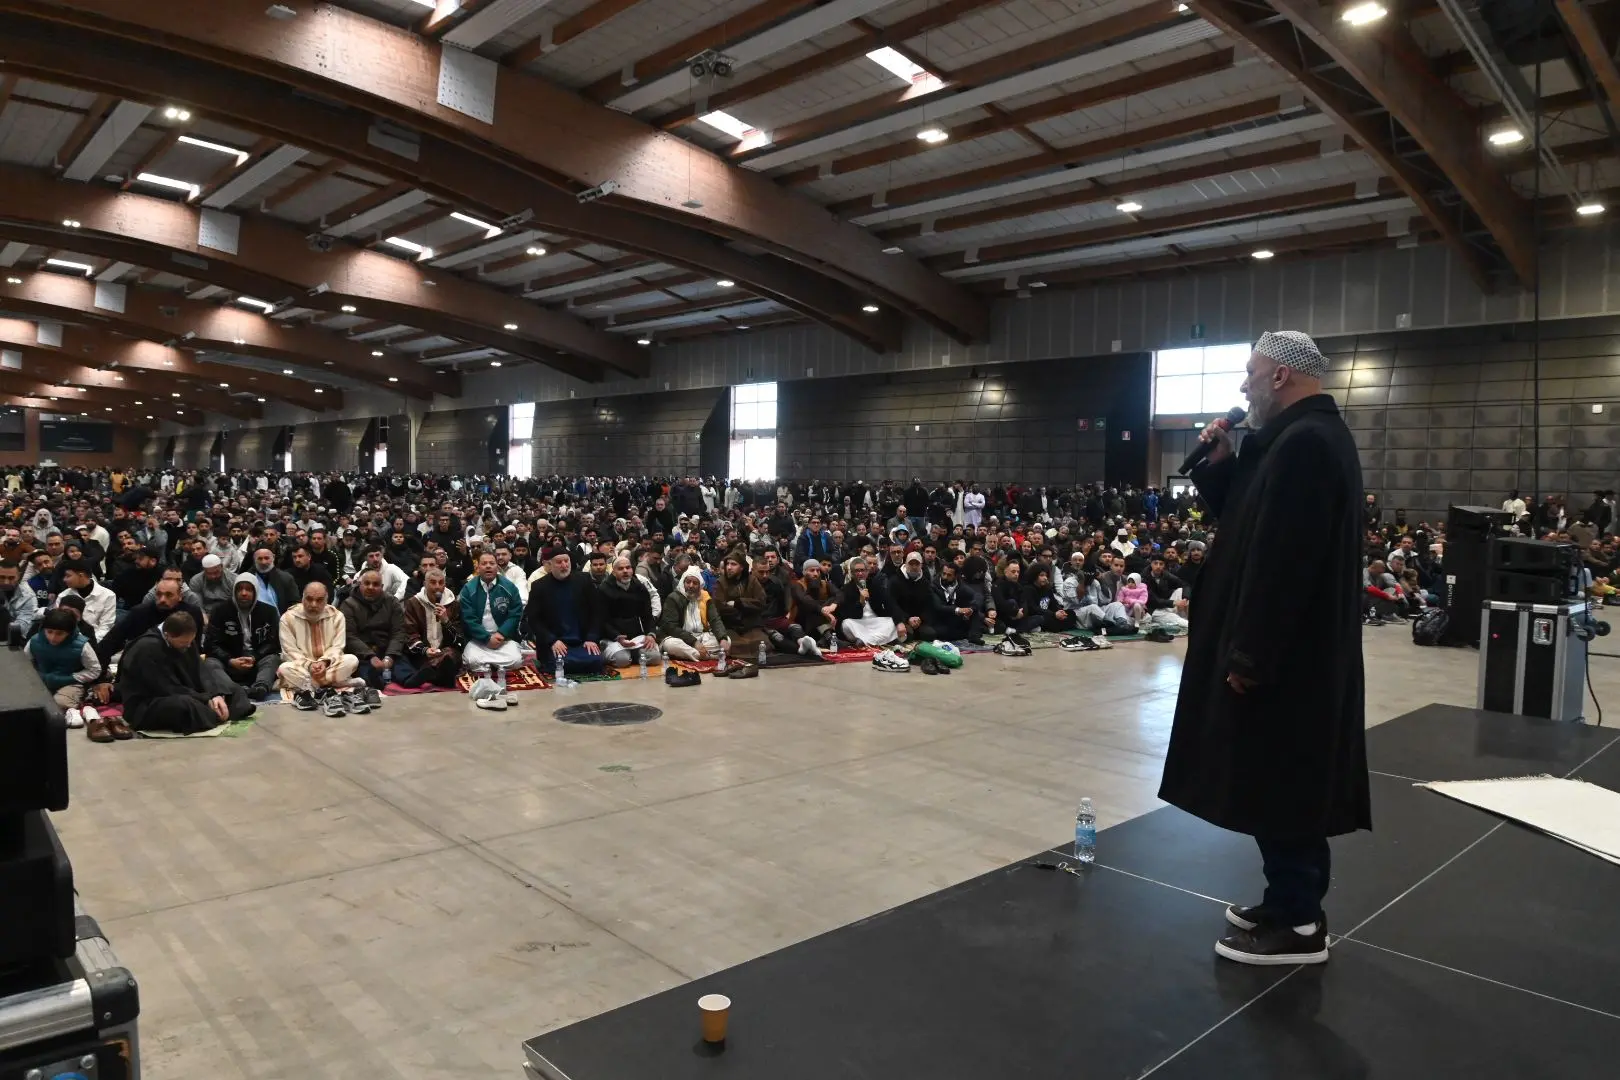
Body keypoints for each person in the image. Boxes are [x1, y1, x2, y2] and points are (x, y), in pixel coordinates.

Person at [1160, 329, 1369, 967]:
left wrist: (1250, 655)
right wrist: (1223, 462)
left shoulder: (1306, 445)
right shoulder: (1294, 440)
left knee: (1283, 778)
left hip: (1285, 660)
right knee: (1273, 776)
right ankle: (1287, 896)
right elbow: (1250, 523)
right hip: (1286, 655)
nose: (1243, 386)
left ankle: (1299, 921)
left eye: (1251, 373)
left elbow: (1283, 563)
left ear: (1280, 376)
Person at [118, 611, 252, 734]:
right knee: (185, 705)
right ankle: (217, 713)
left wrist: (215, 694)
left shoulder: (185, 641)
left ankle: (219, 710)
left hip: (186, 690)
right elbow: (166, 687)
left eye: (190, 642)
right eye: (184, 644)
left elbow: (200, 670)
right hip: (147, 704)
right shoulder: (147, 648)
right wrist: (205, 698)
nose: (188, 647)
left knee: (232, 689)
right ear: (167, 636)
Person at [524, 546, 605, 676]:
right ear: (550, 565)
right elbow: (534, 619)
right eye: (559, 562)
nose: (564, 565)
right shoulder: (539, 586)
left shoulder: (583, 580)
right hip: (556, 643)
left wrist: (591, 638)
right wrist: (552, 640)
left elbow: (596, 612)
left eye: (566, 561)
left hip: (582, 641)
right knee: (558, 664)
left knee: (596, 661)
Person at [277, 581, 360, 703]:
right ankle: (334, 683)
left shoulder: (337, 616)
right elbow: (289, 651)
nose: (313, 604)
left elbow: (338, 647)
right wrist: (310, 665)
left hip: (327, 666)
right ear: (302, 598)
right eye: (309, 599)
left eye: (319, 600)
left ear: (327, 601)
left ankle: (313, 686)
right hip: (303, 668)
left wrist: (324, 662)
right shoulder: (288, 618)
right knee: (284, 668)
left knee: (352, 660)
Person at [204, 572, 281, 699]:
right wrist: (230, 660)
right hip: (229, 663)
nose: (244, 593)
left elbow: (273, 643)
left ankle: (260, 687)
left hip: (256, 661)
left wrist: (254, 657)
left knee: (273, 658)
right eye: (240, 589)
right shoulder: (220, 610)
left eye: (249, 589)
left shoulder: (269, 611)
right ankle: (232, 690)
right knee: (210, 663)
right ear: (234, 591)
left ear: (255, 591)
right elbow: (210, 644)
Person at [459, 552, 524, 698]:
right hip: (478, 639)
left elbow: (515, 614)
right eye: (484, 563)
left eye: (492, 563)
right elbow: (468, 619)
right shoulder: (468, 589)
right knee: (471, 660)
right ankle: (495, 666)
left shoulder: (509, 587)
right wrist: (486, 639)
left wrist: (501, 634)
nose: (488, 566)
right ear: (478, 567)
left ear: (497, 566)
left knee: (516, 660)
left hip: (503, 638)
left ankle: (489, 667)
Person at [27, 607, 104, 731]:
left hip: (71, 682)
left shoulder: (82, 645)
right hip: (40, 680)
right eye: (49, 631)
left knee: (58, 706)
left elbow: (95, 670)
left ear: (69, 632)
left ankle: (79, 709)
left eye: (59, 633)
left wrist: (71, 678)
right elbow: (25, 663)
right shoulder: (34, 641)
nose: (52, 637)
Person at [341, 568, 409, 697]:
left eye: (376, 584)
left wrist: (390, 656)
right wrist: (370, 656)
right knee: (366, 674)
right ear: (360, 584)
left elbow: (398, 632)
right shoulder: (348, 604)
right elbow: (349, 636)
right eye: (367, 583)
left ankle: (412, 678)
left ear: (382, 587)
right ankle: (375, 682)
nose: (371, 587)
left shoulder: (392, 602)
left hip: (387, 648)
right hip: (363, 653)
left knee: (404, 669)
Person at [402, 566, 465, 688]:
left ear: (445, 584)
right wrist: (425, 650)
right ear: (425, 584)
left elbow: (460, 640)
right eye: (433, 582)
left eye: (441, 583)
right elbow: (410, 633)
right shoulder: (413, 603)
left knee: (450, 655)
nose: (437, 587)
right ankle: (439, 677)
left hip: (447, 653)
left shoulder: (454, 604)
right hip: (423, 654)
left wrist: (446, 621)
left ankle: (432, 673)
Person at [657, 566, 730, 662]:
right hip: (680, 637)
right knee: (670, 644)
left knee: (727, 640)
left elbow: (715, 619)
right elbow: (671, 627)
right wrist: (694, 642)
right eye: (688, 582)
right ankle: (708, 656)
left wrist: (722, 638)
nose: (691, 585)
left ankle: (693, 654)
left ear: (700, 586)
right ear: (683, 583)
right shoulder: (673, 598)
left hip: (701, 636)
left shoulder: (705, 597)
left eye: (695, 583)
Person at [597, 554, 659, 668]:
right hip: (612, 637)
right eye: (620, 569)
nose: (625, 571)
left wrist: (650, 634)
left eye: (628, 567)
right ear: (613, 572)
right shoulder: (604, 589)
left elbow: (647, 614)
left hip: (635, 635)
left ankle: (633, 653)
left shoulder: (639, 587)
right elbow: (602, 620)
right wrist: (617, 636)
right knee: (622, 661)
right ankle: (615, 652)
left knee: (654, 657)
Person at [56, 558, 116, 641]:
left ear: (81, 575)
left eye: (68, 576)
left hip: (96, 640)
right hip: (68, 641)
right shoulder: (63, 596)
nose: (64, 579)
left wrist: (89, 642)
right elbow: (58, 623)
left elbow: (106, 626)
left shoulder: (108, 595)